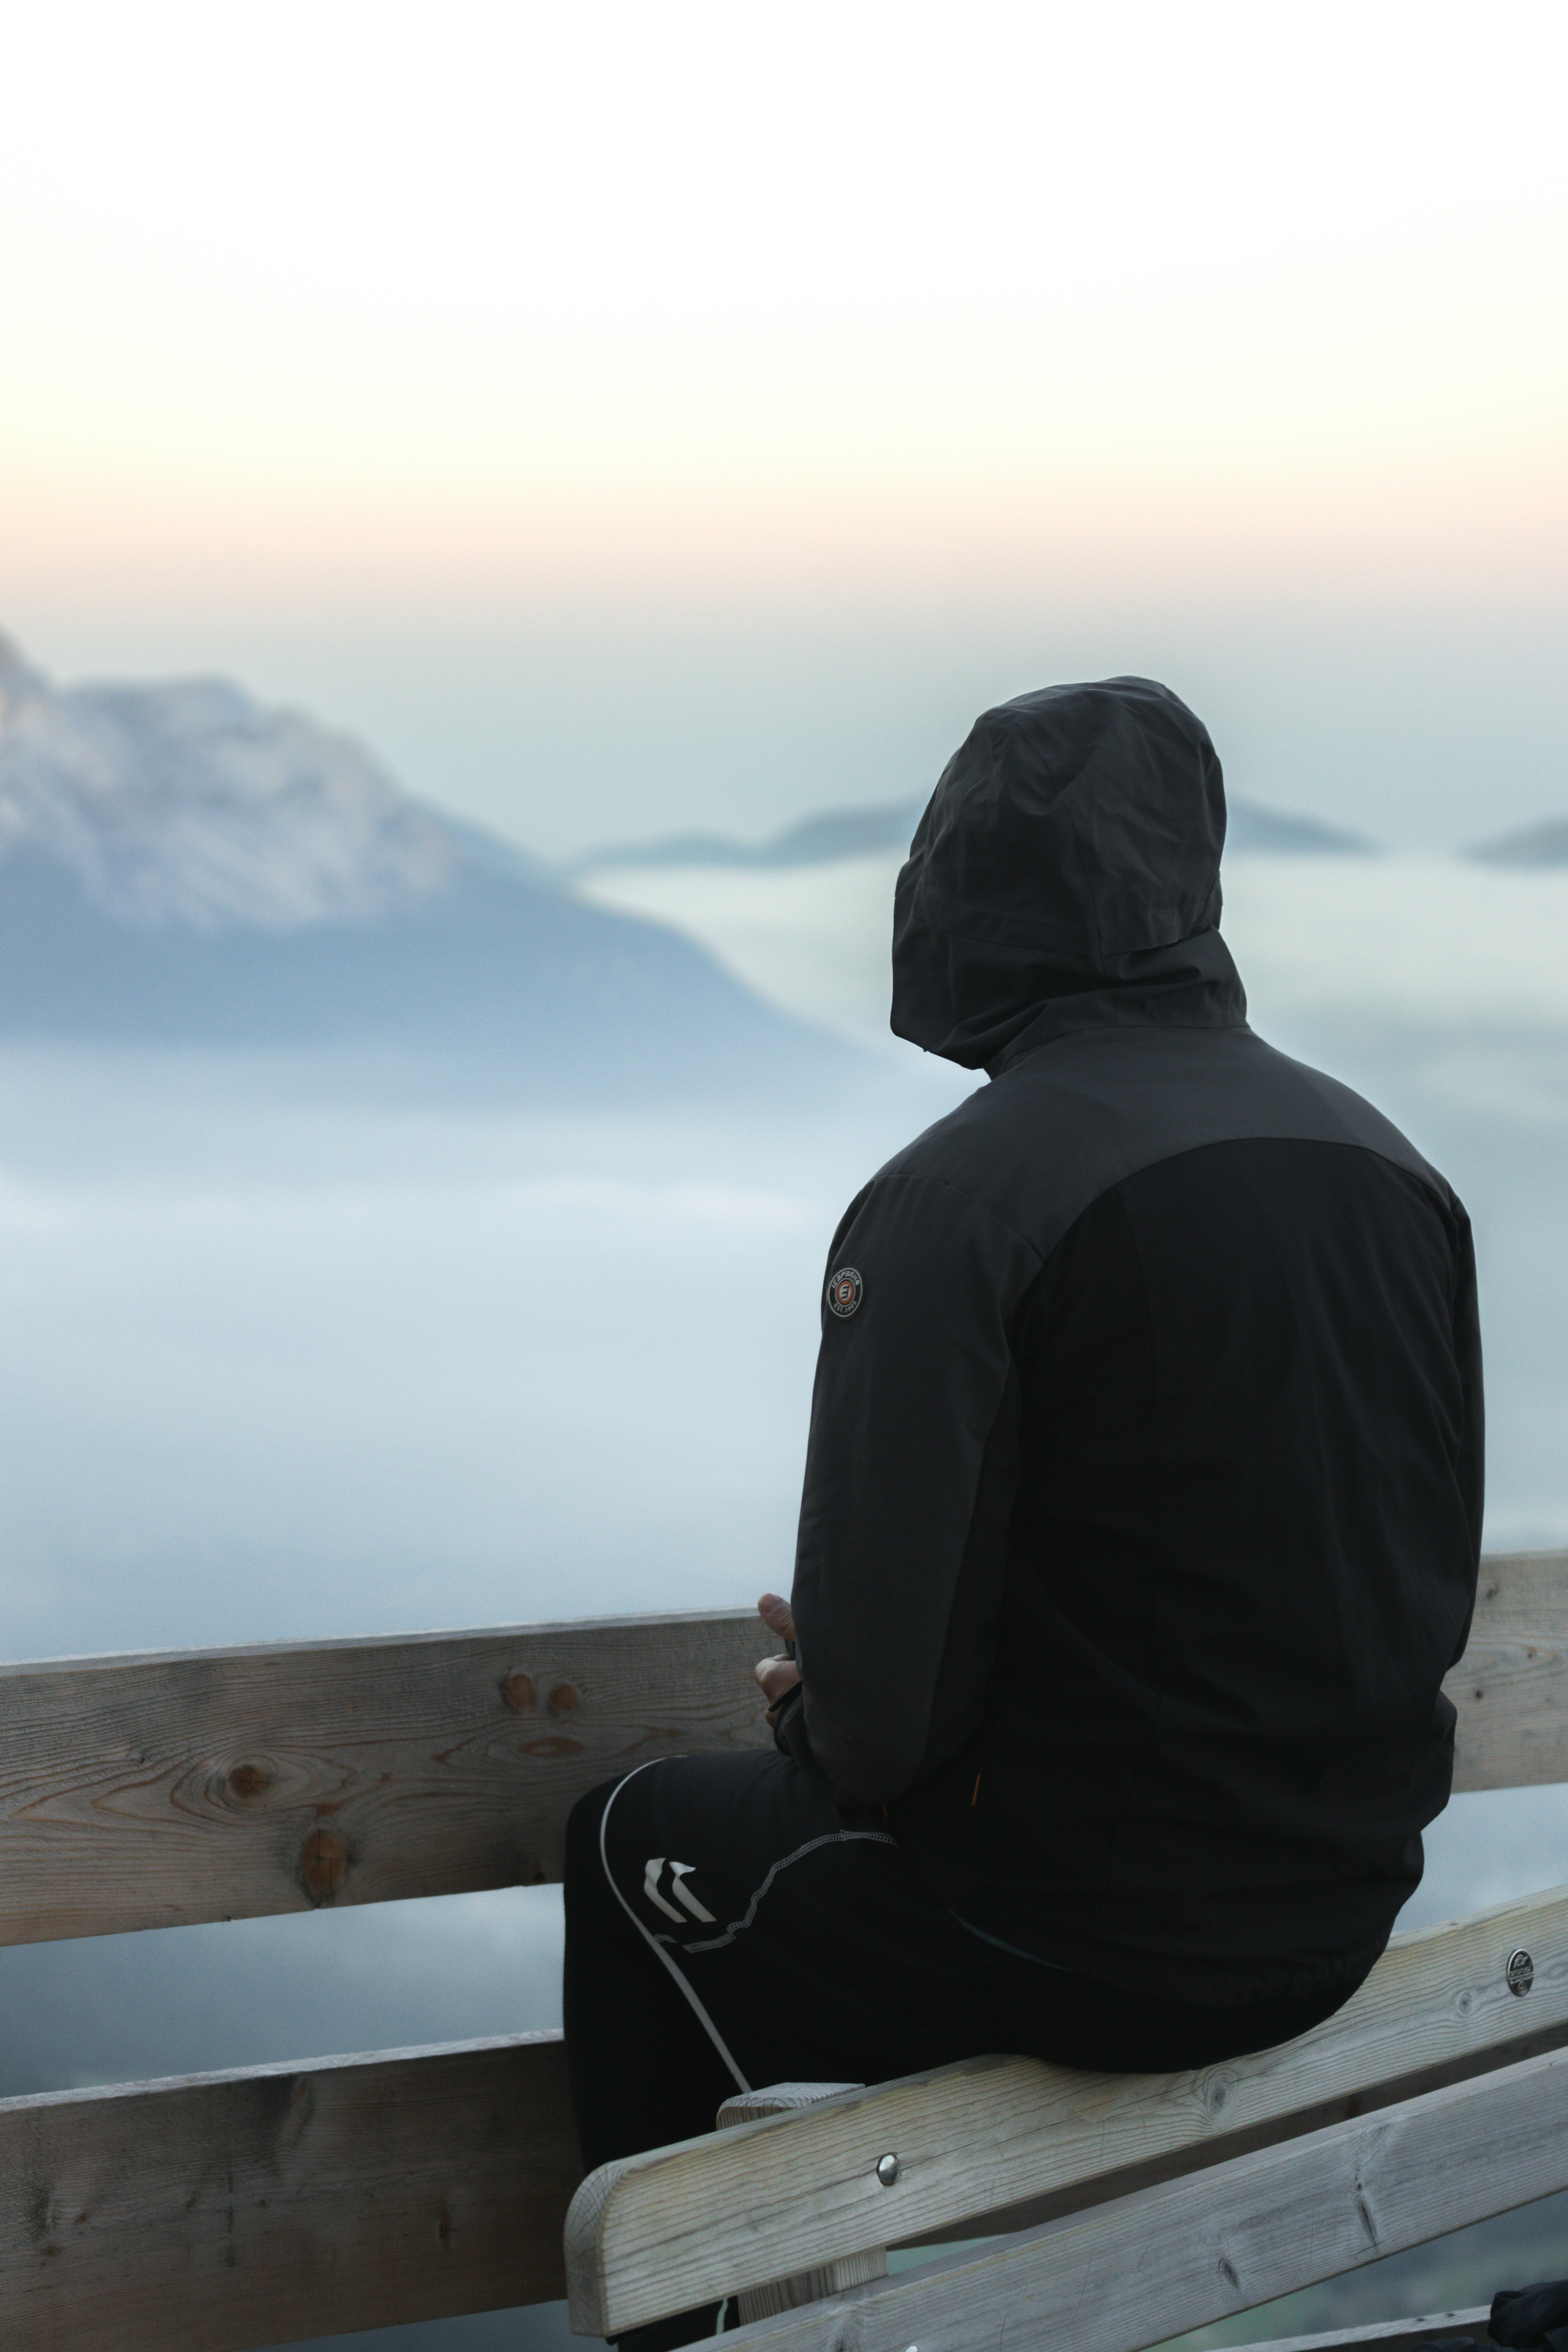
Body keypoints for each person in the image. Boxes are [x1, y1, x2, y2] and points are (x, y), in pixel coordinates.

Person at [562, 677, 1483, 2348]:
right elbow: (1413, 1576)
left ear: (959, 888)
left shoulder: (958, 1201)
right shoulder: (1390, 1168)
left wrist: (817, 1699)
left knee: (627, 1838)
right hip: (1341, 1909)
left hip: (1085, 1941)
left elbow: (883, 1732)